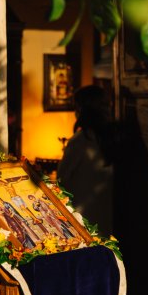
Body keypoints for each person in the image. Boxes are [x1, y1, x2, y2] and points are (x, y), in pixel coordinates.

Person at [58, 85, 116, 237]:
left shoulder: (81, 140)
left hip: (82, 222)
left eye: (76, 107)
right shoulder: (110, 138)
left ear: (83, 109)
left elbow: (61, 180)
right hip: (105, 219)